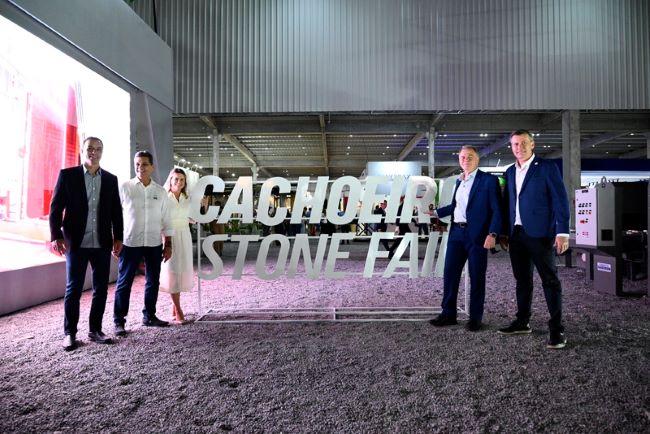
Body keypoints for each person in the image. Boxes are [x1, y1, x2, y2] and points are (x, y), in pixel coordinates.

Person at [498, 129, 570, 349]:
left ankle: (556, 329)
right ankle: (522, 321)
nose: (519, 148)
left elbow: (560, 199)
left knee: (550, 281)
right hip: (517, 234)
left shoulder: (546, 168)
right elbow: (508, 204)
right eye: (515, 144)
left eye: (523, 143)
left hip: (540, 234)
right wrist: (504, 232)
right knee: (522, 280)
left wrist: (562, 232)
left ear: (532, 144)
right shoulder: (510, 171)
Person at [49, 137, 123, 351]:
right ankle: (70, 333)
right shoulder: (67, 175)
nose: (94, 152)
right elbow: (55, 209)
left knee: (101, 288)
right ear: (82, 150)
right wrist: (56, 236)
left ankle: (95, 330)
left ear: (102, 152)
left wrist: (118, 237)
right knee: (74, 288)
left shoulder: (110, 179)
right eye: (90, 148)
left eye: (98, 149)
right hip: (76, 242)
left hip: (102, 242)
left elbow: (116, 211)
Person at [428, 145, 502, 331]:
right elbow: (456, 207)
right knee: (450, 274)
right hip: (456, 233)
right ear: (459, 160)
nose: (466, 160)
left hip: (478, 235)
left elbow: (496, 209)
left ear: (477, 159)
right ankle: (448, 314)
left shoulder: (488, 180)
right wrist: (436, 212)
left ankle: (475, 319)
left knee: (477, 277)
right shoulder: (459, 181)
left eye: (470, 157)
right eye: (462, 157)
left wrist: (493, 233)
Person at [113, 150, 174, 336]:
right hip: (130, 242)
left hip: (154, 243)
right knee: (124, 282)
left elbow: (167, 219)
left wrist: (168, 244)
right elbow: (115, 217)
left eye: (144, 164)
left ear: (152, 167)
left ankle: (149, 316)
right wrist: (115, 240)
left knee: (153, 281)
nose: (140, 167)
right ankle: (119, 321)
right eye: (137, 164)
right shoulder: (125, 187)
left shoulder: (160, 192)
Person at [159, 168, 193, 323]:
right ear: (171, 180)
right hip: (169, 236)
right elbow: (161, 219)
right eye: (176, 179)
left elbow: (192, 218)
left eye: (182, 179)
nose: (179, 182)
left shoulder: (187, 198)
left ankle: (174, 306)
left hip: (185, 235)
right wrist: (165, 240)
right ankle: (178, 310)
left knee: (181, 270)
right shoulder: (165, 198)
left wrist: (203, 208)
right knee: (172, 270)